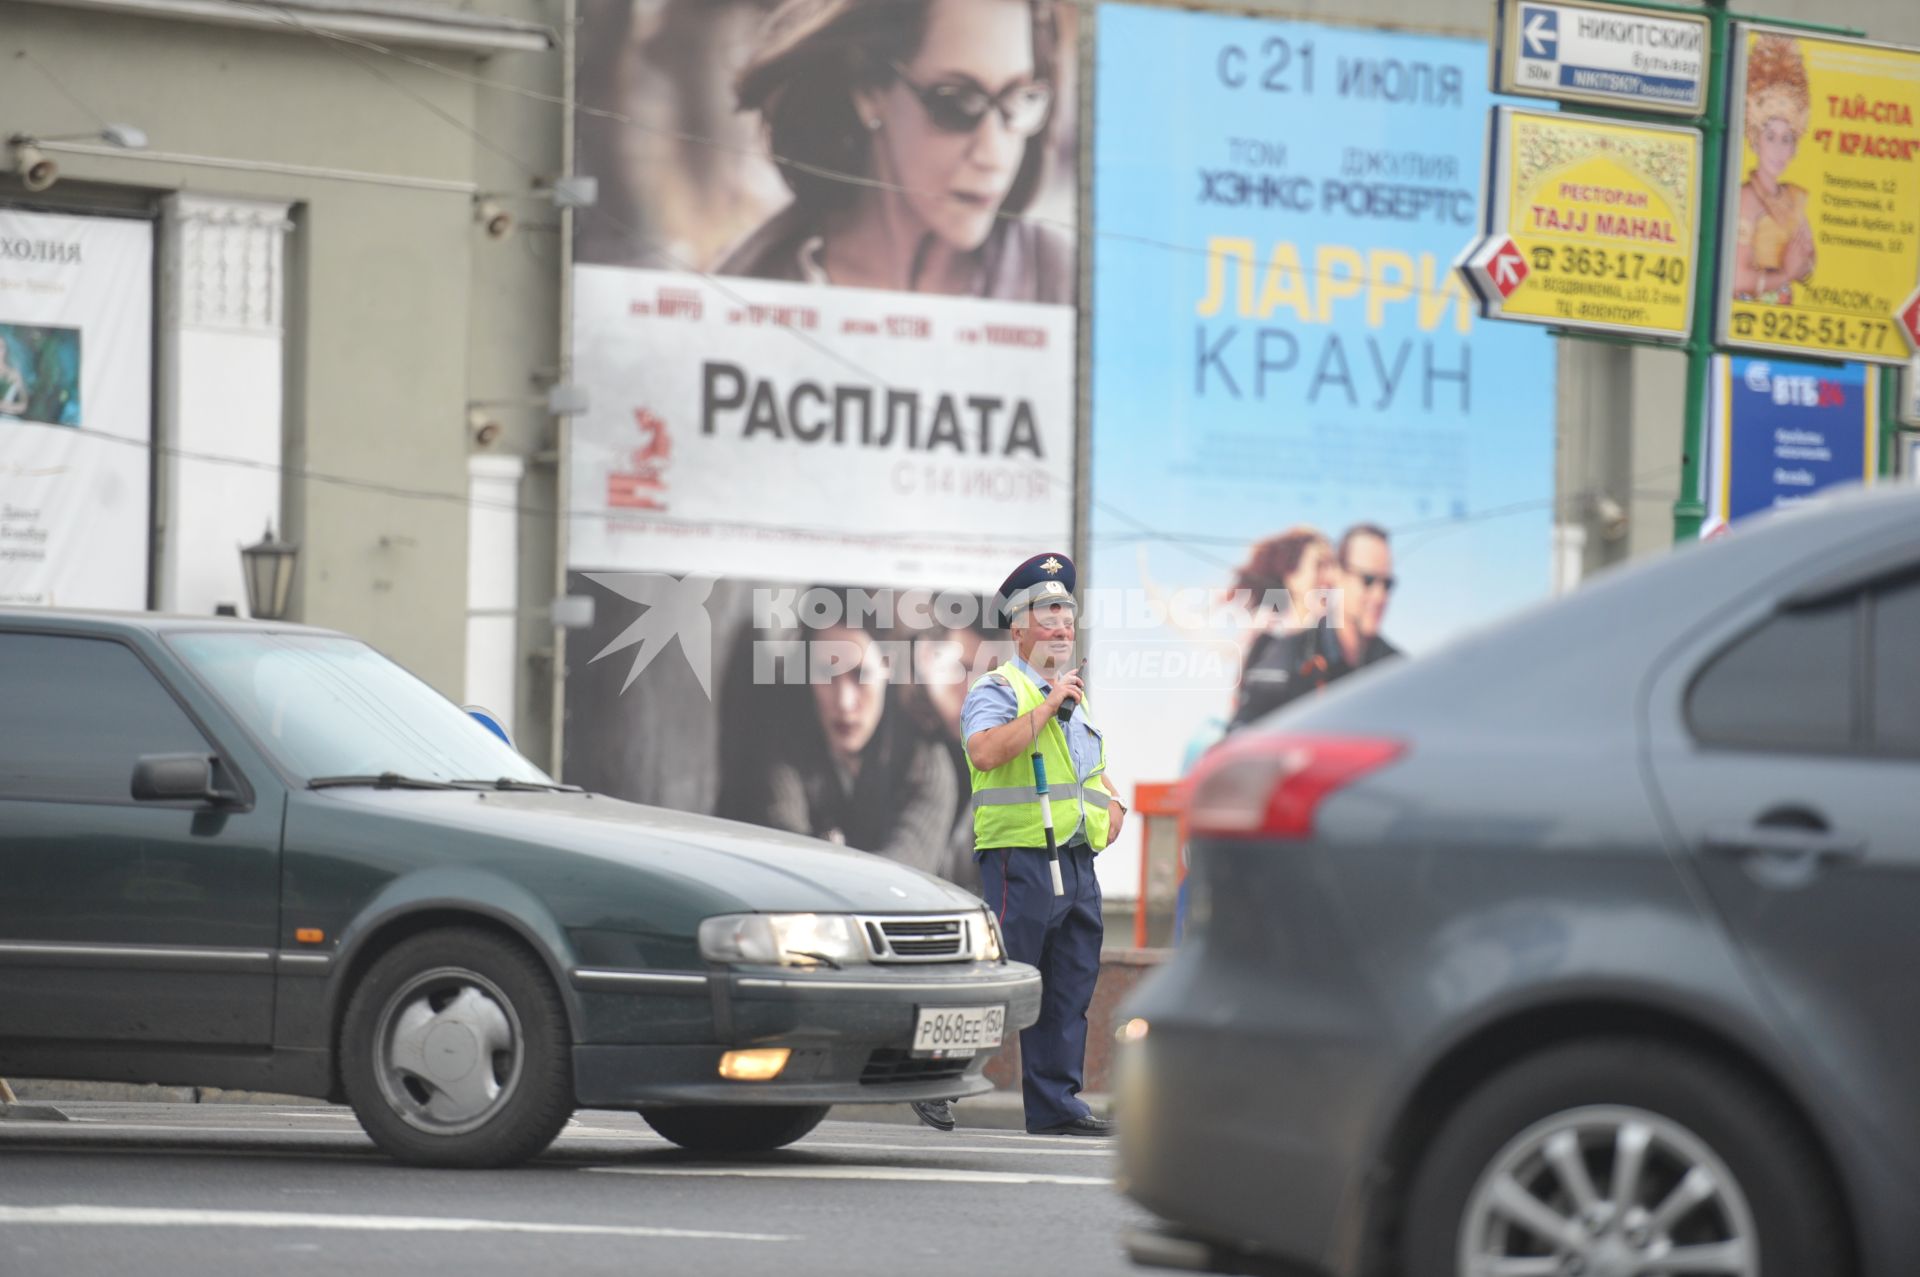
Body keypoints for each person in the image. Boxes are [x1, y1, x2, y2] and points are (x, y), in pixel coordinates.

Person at [911, 551, 1123, 1137]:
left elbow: (1087, 776)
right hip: (1021, 862)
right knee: (999, 980)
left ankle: (1056, 1106)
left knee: (1069, 991)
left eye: (1067, 611)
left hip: (1077, 866)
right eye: (1047, 610)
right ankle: (931, 1075)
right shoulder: (998, 689)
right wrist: (1050, 705)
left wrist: (1116, 804)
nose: (1061, 623)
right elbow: (983, 751)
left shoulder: (1074, 701)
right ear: (1019, 626)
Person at [718, 0, 1072, 301]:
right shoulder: (742, 292)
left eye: (1019, 99)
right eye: (959, 103)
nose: (995, 156)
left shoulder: (1068, 285)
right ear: (869, 90)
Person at [732, 616, 957, 873]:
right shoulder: (785, 745)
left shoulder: (924, 763)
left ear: (888, 667)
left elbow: (901, 878)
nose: (844, 702)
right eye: (827, 674)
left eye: (860, 674)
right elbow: (784, 856)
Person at [1229, 523, 1401, 729]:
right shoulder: (1280, 650)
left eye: (1388, 584)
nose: (1380, 596)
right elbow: (1242, 731)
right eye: (1368, 580)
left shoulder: (1397, 667)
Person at [1731, 34, 1814, 305]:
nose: (1779, 149)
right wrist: (1787, 273)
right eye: (1771, 137)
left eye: (1786, 138)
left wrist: (1801, 266)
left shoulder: (1793, 198)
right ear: (1755, 139)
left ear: (1795, 146)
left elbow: (1809, 265)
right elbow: (1737, 280)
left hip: (1782, 322)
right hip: (1747, 321)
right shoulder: (1746, 199)